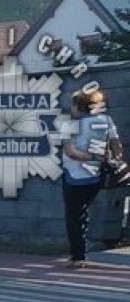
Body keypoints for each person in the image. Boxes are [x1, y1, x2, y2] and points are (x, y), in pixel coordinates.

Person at [60, 86, 121, 269]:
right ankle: (80, 254)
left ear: (78, 106)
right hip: (96, 176)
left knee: (74, 216)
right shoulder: (106, 120)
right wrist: (111, 158)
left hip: (74, 176)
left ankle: (77, 257)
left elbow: (71, 152)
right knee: (84, 213)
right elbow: (116, 145)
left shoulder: (69, 125)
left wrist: (91, 156)